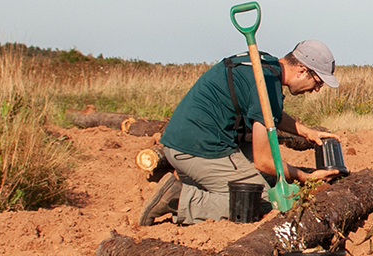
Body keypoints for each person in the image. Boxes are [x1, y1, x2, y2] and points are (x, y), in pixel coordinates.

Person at [139, 39, 343, 226]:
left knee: (264, 179)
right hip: (198, 149)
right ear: (301, 70)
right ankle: (180, 198)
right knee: (257, 202)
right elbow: (263, 160)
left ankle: (200, 187)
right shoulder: (267, 85)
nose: (317, 89)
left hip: (184, 142)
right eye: (318, 82)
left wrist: (307, 132)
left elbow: (270, 112)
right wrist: (303, 177)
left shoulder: (265, 67)